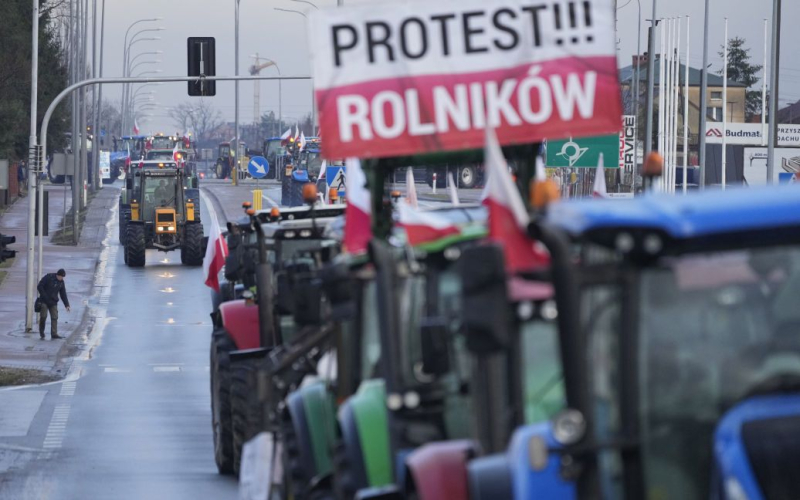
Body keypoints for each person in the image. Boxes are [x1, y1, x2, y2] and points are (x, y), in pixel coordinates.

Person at [37, 269, 70, 340]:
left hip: (53, 302)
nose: (61, 278)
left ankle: (54, 333)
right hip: (44, 301)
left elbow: (63, 294)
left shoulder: (61, 283)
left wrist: (67, 305)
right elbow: (40, 286)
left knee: (55, 317)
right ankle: (41, 331)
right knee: (43, 316)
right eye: (61, 277)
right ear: (58, 275)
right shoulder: (49, 277)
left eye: (63, 277)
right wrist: (44, 296)